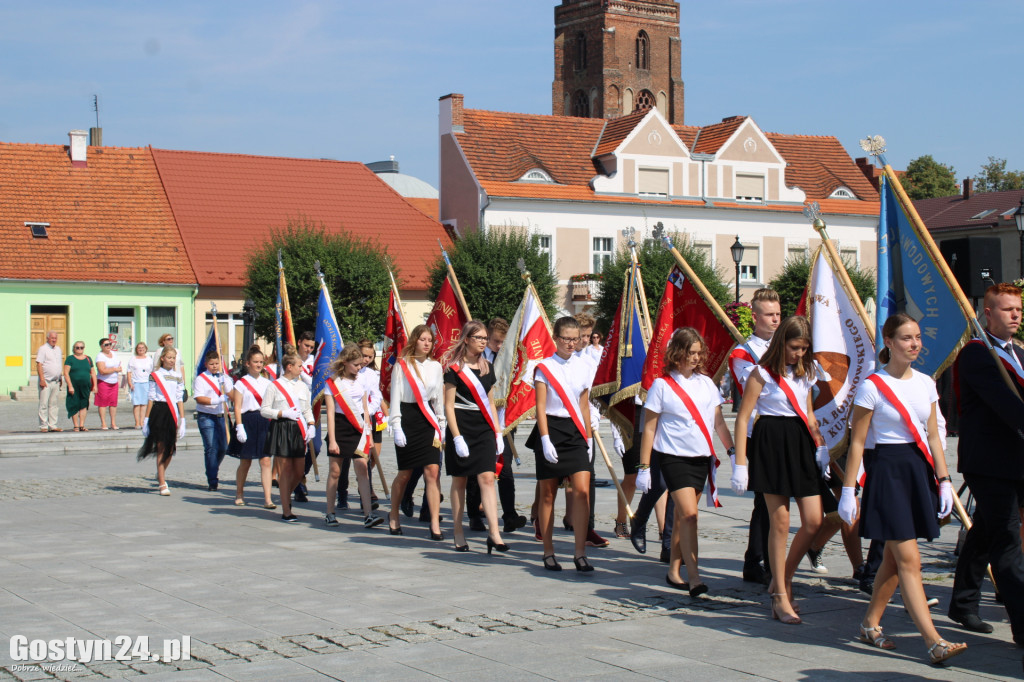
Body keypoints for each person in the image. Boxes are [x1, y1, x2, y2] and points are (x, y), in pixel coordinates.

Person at [838, 313, 966, 664]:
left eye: (918, 337)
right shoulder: (871, 387)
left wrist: (943, 480)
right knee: (910, 560)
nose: (915, 344)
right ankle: (934, 640)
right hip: (887, 474)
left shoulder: (925, 383)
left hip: (917, 470)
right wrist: (849, 490)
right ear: (889, 342)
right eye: (907, 338)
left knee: (893, 561)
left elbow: (935, 437)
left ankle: (869, 624)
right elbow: (858, 443)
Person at [733, 315, 829, 624]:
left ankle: (781, 579)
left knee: (814, 521)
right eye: (794, 347)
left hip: (800, 442)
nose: (799, 354)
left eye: (804, 348)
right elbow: (744, 417)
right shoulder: (761, 374)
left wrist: (820, 444)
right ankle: (780, 596)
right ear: (781, 343)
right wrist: (741, 463)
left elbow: (810, 413)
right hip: (771, 442)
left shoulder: (808, 372)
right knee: (781, 522)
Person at [948, 283, 1024, 642]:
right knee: (1008, 540)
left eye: (1018, 310)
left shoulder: (1018, 353)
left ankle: (962, 602)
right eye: (1007, 310)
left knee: (987, 531)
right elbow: (1005, 404)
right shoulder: (976, 355)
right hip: (989, 462)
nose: (1015, 316)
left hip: (1017, 460)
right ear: (987, 314)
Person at [637, 327, 734, 596]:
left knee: (682, 519)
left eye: (699, 352)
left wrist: (733, 451)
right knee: (690, 516)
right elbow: (650, 429)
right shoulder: (661, 385)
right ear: (677, 353)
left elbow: (718, 423)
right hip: (673, 458)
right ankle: (695, 577)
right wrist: (644, 467)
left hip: (700, 459)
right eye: (690, 352)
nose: (696, 357)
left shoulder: (707, 384)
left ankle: (673, 570)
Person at [528, 316, 595, 572]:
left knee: (582, 492)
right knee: (547, 494)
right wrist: (544, 439)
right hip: (552, 430)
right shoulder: (544, 367)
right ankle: (548, 550)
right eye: (566, 338)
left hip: (576, 431)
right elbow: (541, 407)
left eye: (574, 338)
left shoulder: (584, 366)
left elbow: (583, 404)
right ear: (556, 338)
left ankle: (580, 553)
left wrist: (587, 436)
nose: (570, 343)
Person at [727, 287, 781, 585]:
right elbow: (760, 389)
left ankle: (774, 559)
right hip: (759, 431)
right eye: (769, 315)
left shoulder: (786, 346)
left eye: (778, 314)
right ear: (755, 317)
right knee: (765, 500)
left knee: (780, 499)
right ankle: (756, 561)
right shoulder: (743, 353)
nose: (775, 320)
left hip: (785, 429)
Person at [443, 320, 509, 554]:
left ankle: (494, 533)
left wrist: (498, 431)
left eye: (484, 338)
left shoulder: (487, 367)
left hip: (483, 428)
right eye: (479, 338)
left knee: (488, 479)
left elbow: (490, 402)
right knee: (460, 480)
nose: (483, 341)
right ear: (467, 339)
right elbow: (448, 406)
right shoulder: (453, 369)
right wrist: (457, 437)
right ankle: (458, 531)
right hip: (461, 426)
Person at [466, 317, 527, 533]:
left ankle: (509, 515)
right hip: (481, 420)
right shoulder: (477, 359)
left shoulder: (509, 358)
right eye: (495, 341)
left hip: (504, 420)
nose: (499, 346)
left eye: (503, 342)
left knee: (505, 469)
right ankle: (474, 514)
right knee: (479, 469)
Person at [389, 325, 446, 540]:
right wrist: (396, 426)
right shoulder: (402, 366)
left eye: (430, 340)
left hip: (428, 419)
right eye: (422, 339)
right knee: (405, 473)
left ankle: (434, 523)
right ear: (415, 340)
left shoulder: (436, 367)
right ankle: (393, 514)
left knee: (432, 471)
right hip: (407, 417)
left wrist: (441, 424)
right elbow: (395, 396)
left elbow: (438, 400)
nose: (426, 343)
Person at [325, 344, 383, 529]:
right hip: (341, 427)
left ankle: (368, 514)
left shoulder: (361, 381)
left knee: (362, 469)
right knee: (335, 471)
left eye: (360, 364)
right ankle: (330, 513)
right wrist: (332, 440)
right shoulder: (332, 383)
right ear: (345, 362)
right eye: (356, 364)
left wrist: (369, 434)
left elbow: (366, 409)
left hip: (359, 429)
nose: (360, 368)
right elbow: (331, 413)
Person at [261, 353, 316, 522]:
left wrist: (311, 424)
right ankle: (286, 510)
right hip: (282, 427)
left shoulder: (302, 387)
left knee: (299, 471)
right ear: (289, 367)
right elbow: (264, 410)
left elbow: (306, 408)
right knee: (285, 471)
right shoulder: (274, 386)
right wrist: (281, 413)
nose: (302, 369)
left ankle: (285, 496)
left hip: (298, 428)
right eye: (299, 366)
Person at [229, 345, 274, 509]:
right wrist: (239, 426)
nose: (259, 365)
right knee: (245, 461)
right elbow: (238, 407)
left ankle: (268, 498)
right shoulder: (241, 383)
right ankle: (239, 493)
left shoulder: (267, 383)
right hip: (247, 421)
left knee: (266, 460)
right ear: (248, 363)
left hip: (263, 421)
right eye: (256, 362)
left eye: (261, 362)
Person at [137, 347, 186, 496]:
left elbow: (179, 398)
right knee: (161, 447)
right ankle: (162, 483)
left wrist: (182, 419)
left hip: (172, 412)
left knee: (170, 449)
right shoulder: (155, 375)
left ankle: (161, 472)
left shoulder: (178, 376)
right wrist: (146, 418)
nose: (171, 360)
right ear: (163, 358)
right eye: (169, 357)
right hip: (159, 411)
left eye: (173, 358)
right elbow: (151, 397)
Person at [193, 351, 234, 491]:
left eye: (217, 363)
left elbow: (232, 395)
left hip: (222, 416)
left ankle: (212, 467)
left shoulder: (223, 378)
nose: (214, 366)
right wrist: (216, 400)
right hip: (207, 416)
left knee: (223, 447)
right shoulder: (201, 379)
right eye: (211, 364)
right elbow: (199, 398)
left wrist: (229, 386)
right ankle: (212, 479)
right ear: (206, 364)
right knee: (211, 447)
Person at [293, 331, 317, 503]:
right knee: (298, 450)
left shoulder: (315, 361)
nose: (308, 349)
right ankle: (297, 486)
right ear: (299, 342)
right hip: (295, 409)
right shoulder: (291, 360)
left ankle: (301, 475)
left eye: (311, 347)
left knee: (316, 446)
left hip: (312, 408)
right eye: (306, 345)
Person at [63, 340, 96, 432]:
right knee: (74, 404)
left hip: (85, 386)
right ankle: (76, 426)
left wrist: (95, 385)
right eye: (77, 347)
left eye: (81, 347)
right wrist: (70, 386)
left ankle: (82, 425)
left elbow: (93, 372)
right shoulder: (70, 359)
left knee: (84, 405)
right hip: (74, 386)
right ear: (74, 349)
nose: (79, 349)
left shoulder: (88, 359)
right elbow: (66, 373)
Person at [36, 330, 64, 432]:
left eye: (55, 338)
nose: (54, 340)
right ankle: (43, 426)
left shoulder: (58, 349)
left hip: (55, 381)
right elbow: (39, 364)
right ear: (47, 338)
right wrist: (42, 379)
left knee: (54, 404)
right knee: (43, 404)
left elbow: (58, 364)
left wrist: (60, 377)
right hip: (46, 381)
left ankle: (53, 425)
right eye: (52, 338)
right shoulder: (43, 349)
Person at [95, 338, 122, 430]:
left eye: (109, 344)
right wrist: (114, 369)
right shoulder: (100, 356)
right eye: (106, 345)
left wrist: (118, 369)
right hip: (104, 382)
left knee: (113, 403)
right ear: (101, 346)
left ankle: (113, 423)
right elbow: (102, 370)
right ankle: (103, 423)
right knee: (103, 403)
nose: (108, 346)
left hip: (114, 381)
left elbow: (118, 365)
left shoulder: (114, 354)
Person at [127, 342, 153, 429]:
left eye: (142, 348)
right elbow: (129, 372)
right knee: (137, 403)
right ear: (136, 349)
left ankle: (142, 422)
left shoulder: (149, 359)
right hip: (136, 383)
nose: (141, 349)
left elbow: (152, 372)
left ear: (145, 349)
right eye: (139, 348)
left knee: (144, 403)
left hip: (146, 383)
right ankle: (137, 422)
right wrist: (130, 383)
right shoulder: (133, 359)